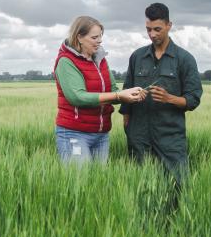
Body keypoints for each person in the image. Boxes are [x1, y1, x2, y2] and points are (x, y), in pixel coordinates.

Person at [120, 3, 203, 209]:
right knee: (140, 189)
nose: (152, 34)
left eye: (157, 29)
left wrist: (169, 98)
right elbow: (126, 94)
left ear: (169, 25)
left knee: (178, 188)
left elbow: (193, 99)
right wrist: (129, 127)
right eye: (148, 29)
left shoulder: (184, 59)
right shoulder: (137, 57)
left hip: (170, 136)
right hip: (139, 134)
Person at [54, 16, 145, 164]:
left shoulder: (100, 59)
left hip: (101, 134)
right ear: (80, 37)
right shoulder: (66, 61)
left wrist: (130, 94)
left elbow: (113, 89)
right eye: (94, 37)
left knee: (98, 183)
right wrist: (118, 95)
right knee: (80, 183)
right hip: (75, 133)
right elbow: (77, 97)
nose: (100, 41)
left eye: (101, 36)